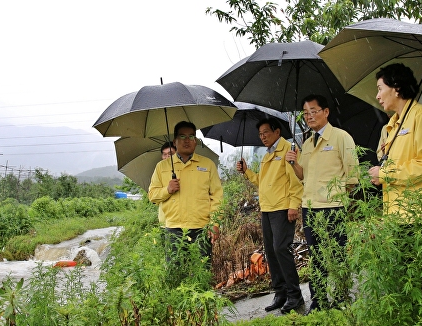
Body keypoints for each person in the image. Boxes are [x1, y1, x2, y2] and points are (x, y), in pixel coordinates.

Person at [285, 94, 359, 315]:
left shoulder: (341, 137)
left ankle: (341, 298)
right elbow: (302, 176)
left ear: (326, 112)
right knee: (316, 257)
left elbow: (352, 177)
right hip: (310, 209)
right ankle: (318, 301)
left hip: (333, 208)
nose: (309, 117)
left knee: (337, 256)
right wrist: (293, 163)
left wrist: (338, 200)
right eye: (306, 113)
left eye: (313, 111)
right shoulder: (307, 143)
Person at [236, 117, 304, 314]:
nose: (262, 136)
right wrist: (247, 171)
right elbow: (262, 182)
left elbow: (295, 181)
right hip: (267, 209)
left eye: (266, 132)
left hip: (282, 208)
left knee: (281, 248)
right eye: (260, 134)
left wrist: (293, 205)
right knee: (272, 252)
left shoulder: (287, 150)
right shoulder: (267, 155)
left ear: (277, 132)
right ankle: (280, 292)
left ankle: (294, 294)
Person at [149, 121, 223, 262]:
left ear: (196, 141)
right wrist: (167, 190)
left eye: (191, 136)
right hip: (174, 229)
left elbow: (217, 197)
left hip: (202, 228)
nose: (187, 140)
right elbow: (152, 195)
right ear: (175, 142)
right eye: (182, 137)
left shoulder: (207, 165)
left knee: (201, 273)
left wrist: (215, 223)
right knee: (176, 273)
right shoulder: (162, 167)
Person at [368, 63, 422, 216]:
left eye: (380, 88)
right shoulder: (393, 124)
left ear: (396, 88)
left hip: (414, 215)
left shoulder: (419, 117)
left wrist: (385, 174)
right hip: (394, 214)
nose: (377, 96)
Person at [157, 142, 176, 226]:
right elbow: (153, 195)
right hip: (166, 220)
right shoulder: (159, 171)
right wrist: (168, 190)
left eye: (170, 154)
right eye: (164, 154)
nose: (167, 157)